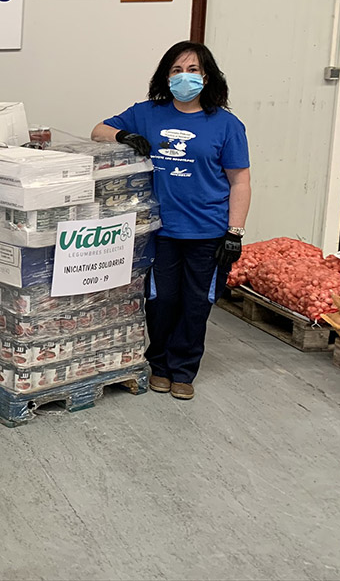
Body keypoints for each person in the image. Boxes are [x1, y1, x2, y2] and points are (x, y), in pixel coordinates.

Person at [92, 40, 250, 401]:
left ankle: (183, 370)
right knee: (160, 301)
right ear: (166, 76)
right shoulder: (148, 113)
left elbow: (240, 180)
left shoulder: (226, 125)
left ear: (207, 77)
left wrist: (234, 233)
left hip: (208, 231)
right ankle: (159, 365)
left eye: (192, 70)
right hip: (160, 231)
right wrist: (125, 135)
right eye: (176, 70)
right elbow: (98, 130)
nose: (184, 77)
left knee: (196, 304)